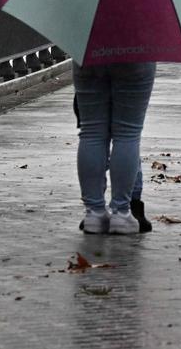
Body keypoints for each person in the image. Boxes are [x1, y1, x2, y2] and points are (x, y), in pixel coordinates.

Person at [73, 61, 156, 235]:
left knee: (91, 132)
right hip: (135, 52)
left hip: (90, 53)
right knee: (128, 133)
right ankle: (121, 212)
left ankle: (94, 213)